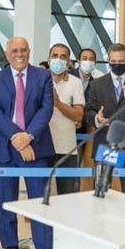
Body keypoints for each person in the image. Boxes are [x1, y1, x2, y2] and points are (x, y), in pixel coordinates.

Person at [0, 36, 66, 249]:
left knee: (40, 205)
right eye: (14, 50)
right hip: (5, 150)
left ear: (29, 52)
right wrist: (17, 138)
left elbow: (46, 108)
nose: (19, 54)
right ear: (7, 53)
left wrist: (28, 136)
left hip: (36, 149)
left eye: (23, 50)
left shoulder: (42, 76)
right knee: (5, 204)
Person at [84, 43, 125, 196]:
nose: (117, 65)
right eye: (113, 61)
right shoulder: (97, 84)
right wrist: (97, 118)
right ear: (108, 60)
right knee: (100, 192)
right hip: (104, 142)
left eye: (121, 62)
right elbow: (88, 111)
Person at [47, 43, 85, 195]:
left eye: (63, 56)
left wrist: (59, 104)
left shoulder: (75, 83)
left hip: (67, 148)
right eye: (55, 56)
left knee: (67, 195)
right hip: (42, 146)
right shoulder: (39, 80)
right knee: (38, 195)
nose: (58, 59)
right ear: (48, 59)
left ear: (69, 61)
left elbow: (78, 115)